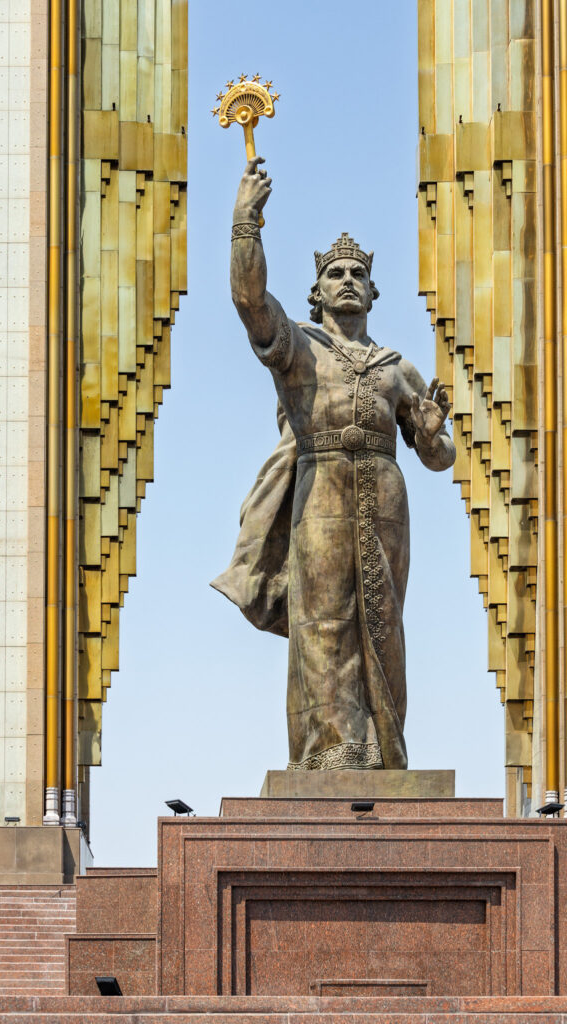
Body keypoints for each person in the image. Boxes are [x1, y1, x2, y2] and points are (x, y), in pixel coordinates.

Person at [212, 157, 456, 771]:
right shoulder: (299, 347)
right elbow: (249, 301)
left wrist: (429, 436)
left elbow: (439, 456)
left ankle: (384, 752)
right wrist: (247, 222)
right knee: (322, 623)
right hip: (319, 487)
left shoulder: (397, 367)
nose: (346, 280)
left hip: (386, 489)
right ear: (316, 291)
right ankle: (328, 755)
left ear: (373, 291)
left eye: (356, 274)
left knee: (382, 621)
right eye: (334, 273)